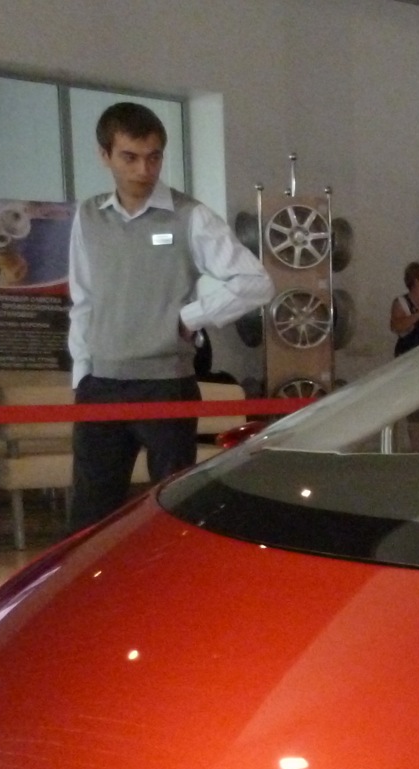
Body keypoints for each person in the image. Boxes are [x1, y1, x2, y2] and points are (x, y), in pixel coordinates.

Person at [67, 102, 271, 529]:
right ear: (104, 155)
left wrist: (190, 318)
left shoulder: (190, 215)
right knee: (89, 514)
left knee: (172, 513)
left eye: (154, 156)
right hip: (100, 385)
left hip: (166, 383)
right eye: (130, 157)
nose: (144, 169)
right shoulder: (88, 216)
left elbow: (255, 282)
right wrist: (82, 374)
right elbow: (83, 299)